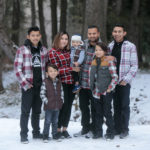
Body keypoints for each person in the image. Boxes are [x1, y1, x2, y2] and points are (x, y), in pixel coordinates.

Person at [14, 26, 48, 143]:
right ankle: (23, 135)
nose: (35, 37)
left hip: (40, 86)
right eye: (32, 35)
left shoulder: (44, 50)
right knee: (25, 111)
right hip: (28, 86)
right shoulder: (22, 50)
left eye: (37, 35)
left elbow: (46, 68)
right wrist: (26, 84)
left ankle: (36, 132)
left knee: (37, 111)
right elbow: (17, 69)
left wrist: (46, 82)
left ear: (40, 36)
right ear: (28, 36)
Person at [108, 24, 138, 139]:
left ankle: (125, 129)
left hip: (124, 81)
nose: (117, 33)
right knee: (115, 105)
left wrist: (126, 80)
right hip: (113, 81)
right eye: (115, 31)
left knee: (124, 105)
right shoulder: (110, 46)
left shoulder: (130, 46)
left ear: (124, 33)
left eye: (119, 31)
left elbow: (134, 66)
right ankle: (117, 128)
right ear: (112, 33)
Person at [49, 31, 80, 139]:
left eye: (66, 39)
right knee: (61, 107)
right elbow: (55, 70)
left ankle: (65, 129)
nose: (64, 41)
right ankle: (57, 129)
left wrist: (77, 81)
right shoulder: (53, 52)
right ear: (57, 39)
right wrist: (71, 68)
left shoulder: (69, 51)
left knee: (68, 106)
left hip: (71, 82)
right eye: (62, 38)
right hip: (60, 83)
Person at [74, 25, 102, 138]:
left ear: (98, 34)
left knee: (95, 109)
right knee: (83, 107)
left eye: (94, 33)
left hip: (95, 85)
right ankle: (85, 128)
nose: (92, 36)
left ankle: (94, 129)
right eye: (90, 33)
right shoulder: (83, 45)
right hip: (83, 83)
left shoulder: (102, 46)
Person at [89, 42, 118, 140]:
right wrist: (91, 86)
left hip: (106, 91)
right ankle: (98, 132)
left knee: (107, 112)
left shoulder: (108, 61)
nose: (98, 52)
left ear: (105, 51)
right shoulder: (93, 61)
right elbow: (92, 76)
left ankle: (110, 132)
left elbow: (115, 77)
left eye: (100, 50)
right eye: (96, 50)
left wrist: (110, 88)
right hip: (96, 91)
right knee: (98, 113)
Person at [40, 64, 63, 143]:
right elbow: (42, 94)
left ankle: (55, 134)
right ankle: (45, 135)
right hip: (49, 106)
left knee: (55, 121)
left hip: (57, 105)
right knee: (47, 121)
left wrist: (61, 100)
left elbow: (62, 92)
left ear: (57, 72)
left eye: (55, 71)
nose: (53, 73)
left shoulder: (59, 82)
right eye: (51, 71)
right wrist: (47, 101)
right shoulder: (45, 82)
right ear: (47, 73)